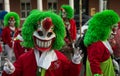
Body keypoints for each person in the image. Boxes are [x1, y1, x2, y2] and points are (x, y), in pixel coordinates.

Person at [2, 10, 82, 76]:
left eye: (49, 34)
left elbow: (70, 73)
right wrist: (9, 71)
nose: (44, 38)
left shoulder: (60, 58)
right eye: (40, 33)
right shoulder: (24, 58)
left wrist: (75, 63)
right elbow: (16, 73)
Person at [83, 10, 119, 76]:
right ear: (103, 28)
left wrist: (112, 45)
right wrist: (98, 74)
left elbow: (105, 53)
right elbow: (94, 63)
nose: (113, 32)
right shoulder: (96, 44)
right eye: (111, 29)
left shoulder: (103, 40)